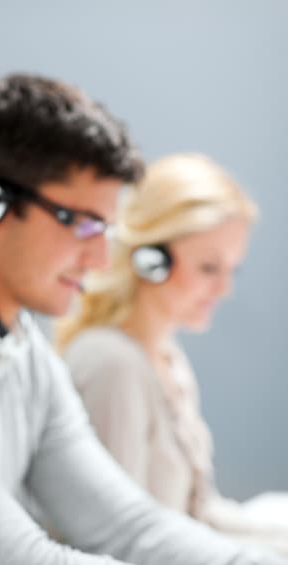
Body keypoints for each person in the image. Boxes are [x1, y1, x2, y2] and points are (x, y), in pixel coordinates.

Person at [0, 73, 288, 564]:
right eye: (82, 223)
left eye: (104, 229)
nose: (102, 259)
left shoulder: (24, 351)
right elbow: (0, 555)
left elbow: (127, 527)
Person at [57, 153, 288, 555]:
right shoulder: (112, 365)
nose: (224, 289)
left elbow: (198, 515)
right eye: (208, 268)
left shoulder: (166, 358)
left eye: (232, 269)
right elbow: (116, 539)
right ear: (151, 259)